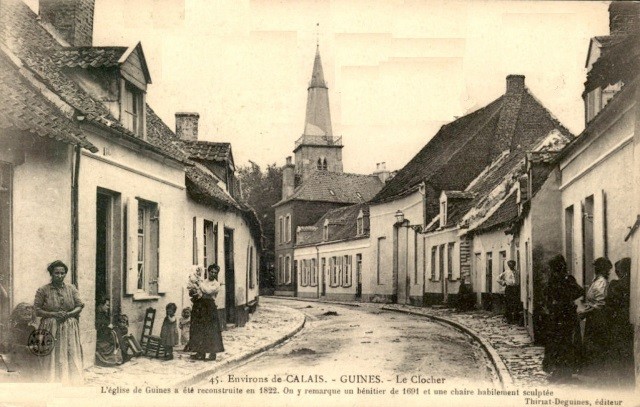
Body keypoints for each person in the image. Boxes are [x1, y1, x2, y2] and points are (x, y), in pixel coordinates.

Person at [34, 260, 84, 383]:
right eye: (57, 273)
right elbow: (37, 310)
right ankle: (51, 380)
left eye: (63, 273)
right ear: (51, 274)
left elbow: (80, 305)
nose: (60, 276)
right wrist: (53, 314)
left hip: (69, 326)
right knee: (52, 354)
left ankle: (69, 381)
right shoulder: (43, 290)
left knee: (69, 351)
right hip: (50, 326)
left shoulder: (71, 289)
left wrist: (69, 314)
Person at [541, 254, 583, 383]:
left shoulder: (565, 279)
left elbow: (579, 291)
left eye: (553, 267)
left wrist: (564, 300)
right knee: (558, 343)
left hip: (564, 315)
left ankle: (564, 372)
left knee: (563, 343)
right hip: (558, 315)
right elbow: (546, 294)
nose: (552, 270)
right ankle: (559, 371)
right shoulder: (556, 279)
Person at [578, 257, 612, 378]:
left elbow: (600, 304)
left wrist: (587, 312)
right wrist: (586, 309)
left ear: (600, 268)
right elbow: (594, 302)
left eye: (597, 267)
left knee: (596, 344)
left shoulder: (601, 282)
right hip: (593, 317)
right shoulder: (596, 280)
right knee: (591, 344)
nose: (595, 269)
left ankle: (598, 374)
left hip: (598, 318)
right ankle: (593, 373)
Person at [189, 264, 225, 361]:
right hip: (201, 306)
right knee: (201, 329)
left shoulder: (216, 284)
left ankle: (212, 354)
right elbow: (200, 291)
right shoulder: (204, 281)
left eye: (215, 273)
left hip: (210, 307)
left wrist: (199, 284)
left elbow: (207, 291)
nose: (213, 274)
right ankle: (201, 353)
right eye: (211, 272)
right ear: (208, 272)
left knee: (211, 330)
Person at [606, 258, 633, 386]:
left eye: (618, 270)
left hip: (618, 321)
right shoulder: (633, 283)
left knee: (617, 350)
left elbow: (609, 303)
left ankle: (617, 381)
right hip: (630, 320)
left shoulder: (615, 285)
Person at [94, 297, 123, 367]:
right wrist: (108, 328)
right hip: (102, 339)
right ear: (101, 305)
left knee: (118, 332)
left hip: (106, 336)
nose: (108, 307)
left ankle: (123, 354)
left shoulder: (103, 314)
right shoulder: (98, 316)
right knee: (117, 335)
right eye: (107, 305)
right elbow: (100, 331)